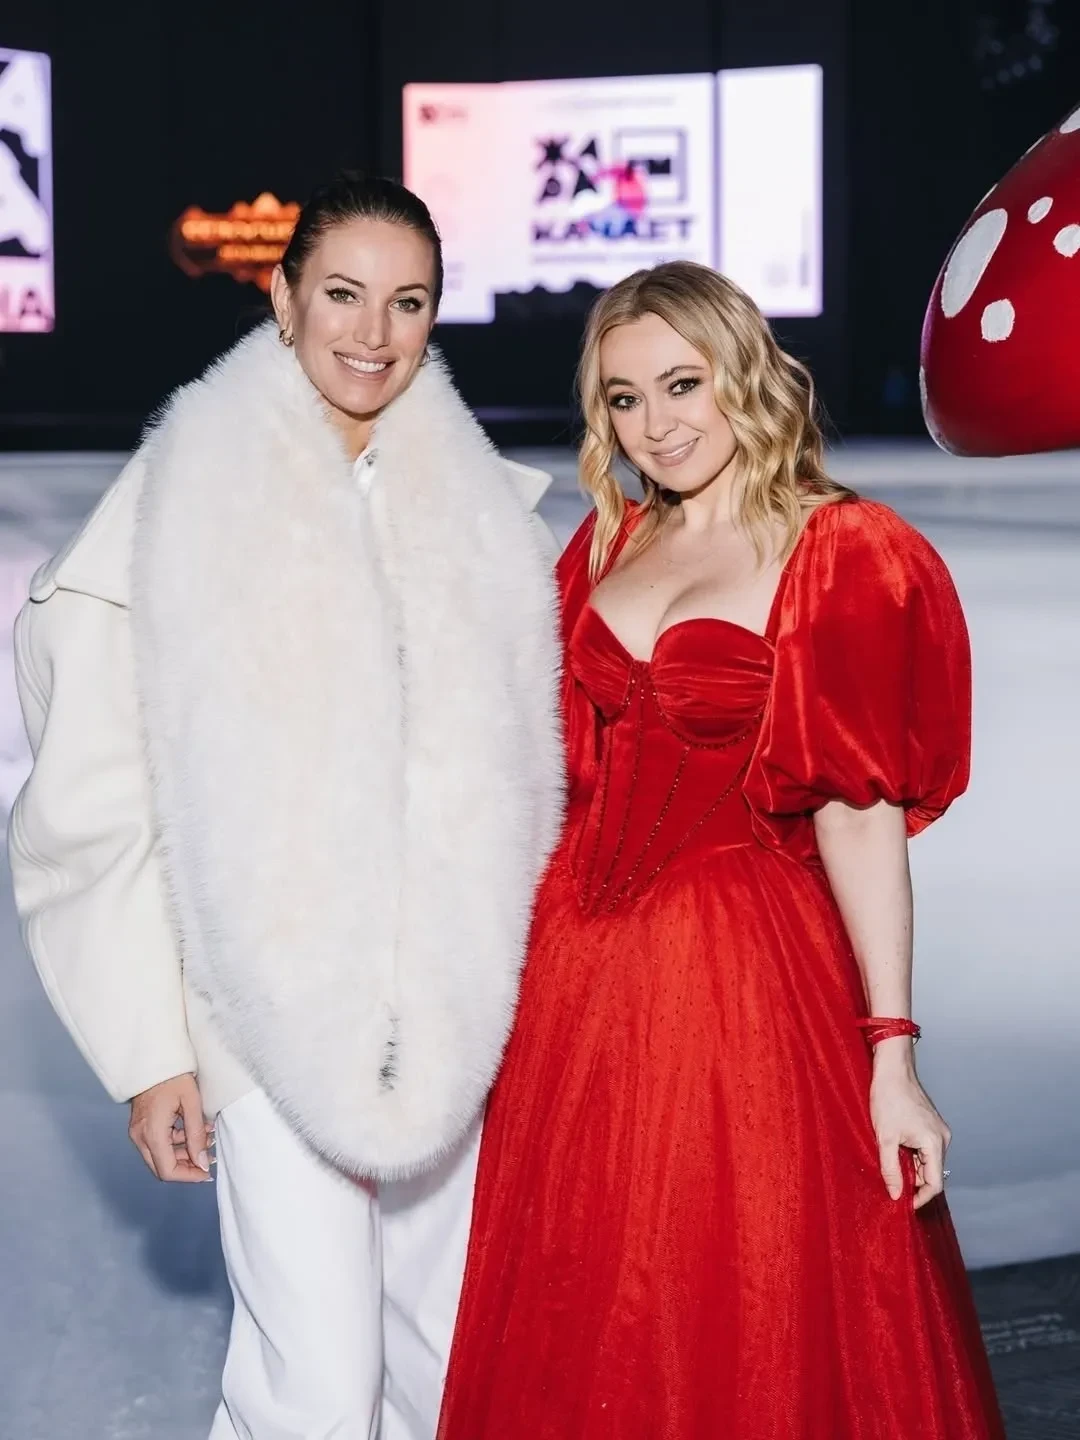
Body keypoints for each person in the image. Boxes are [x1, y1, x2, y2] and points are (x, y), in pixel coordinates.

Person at [8, 171, 563, 1439]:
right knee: (312, 1379)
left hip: (455, 997)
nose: (373, 334)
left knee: (448, 1357)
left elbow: (533, 775)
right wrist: (151, 1051)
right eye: (344, 295)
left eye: (407, 302)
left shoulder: (486, 515)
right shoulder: (182, 499)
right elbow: (94, 796)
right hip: (260, 997)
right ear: (283, 296)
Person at [437, 260, 1005, 1439]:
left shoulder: (840, 548)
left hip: (739, 985)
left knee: (744, 1294)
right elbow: (541, 776)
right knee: (584, 1299)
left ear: (744, 372)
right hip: (572, 985)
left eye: (682, 383)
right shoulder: (605, 547)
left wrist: (891, 1053)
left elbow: (856, 813)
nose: (656, 423)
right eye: (625, 398)